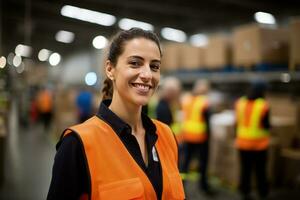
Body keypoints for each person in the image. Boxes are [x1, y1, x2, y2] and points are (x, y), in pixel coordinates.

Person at [47, 28, 185, 200]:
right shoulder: (78, 144)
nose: (147, 74)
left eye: (154, 66)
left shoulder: (167, 137)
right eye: (135, 63)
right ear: (110, 69)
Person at [235, 81, 270, 200]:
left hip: (243, 143)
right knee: (260, 171)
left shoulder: (240, 102)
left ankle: (245, 192)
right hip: (259, 145)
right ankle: (263, 193)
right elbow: (266, 125)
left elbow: (237, 123)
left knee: (245, 170)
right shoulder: (263, 105)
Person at [180, 79, 212, 194]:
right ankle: (203, 186)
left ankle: (181, 186)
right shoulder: (204, 102)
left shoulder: (187, 100)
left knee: (185, 163)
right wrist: (209, 137)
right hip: (201, 138)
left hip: (188, 136)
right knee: (203, 163)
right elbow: (207, 123)